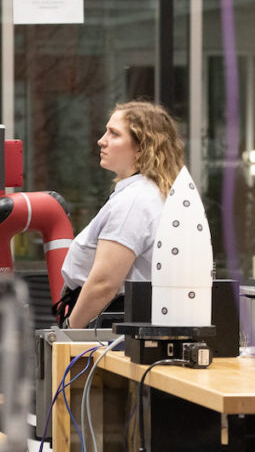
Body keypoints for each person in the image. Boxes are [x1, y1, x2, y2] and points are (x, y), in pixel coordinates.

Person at [56, 101, 185, 329]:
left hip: (107, 324)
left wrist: (70, 332)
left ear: (142, 147)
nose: (101, 140)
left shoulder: (135, 201)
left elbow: (104, 284)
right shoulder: (145, 194)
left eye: (114, 134)